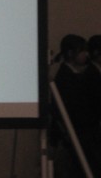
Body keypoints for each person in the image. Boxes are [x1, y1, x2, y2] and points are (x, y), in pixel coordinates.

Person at [52, 34, 100, 176]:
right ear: (70, 53)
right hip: (79, 133)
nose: (86, 54)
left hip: (83, 132)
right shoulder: (65, 77)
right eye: (82, 51)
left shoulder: (72, 75)